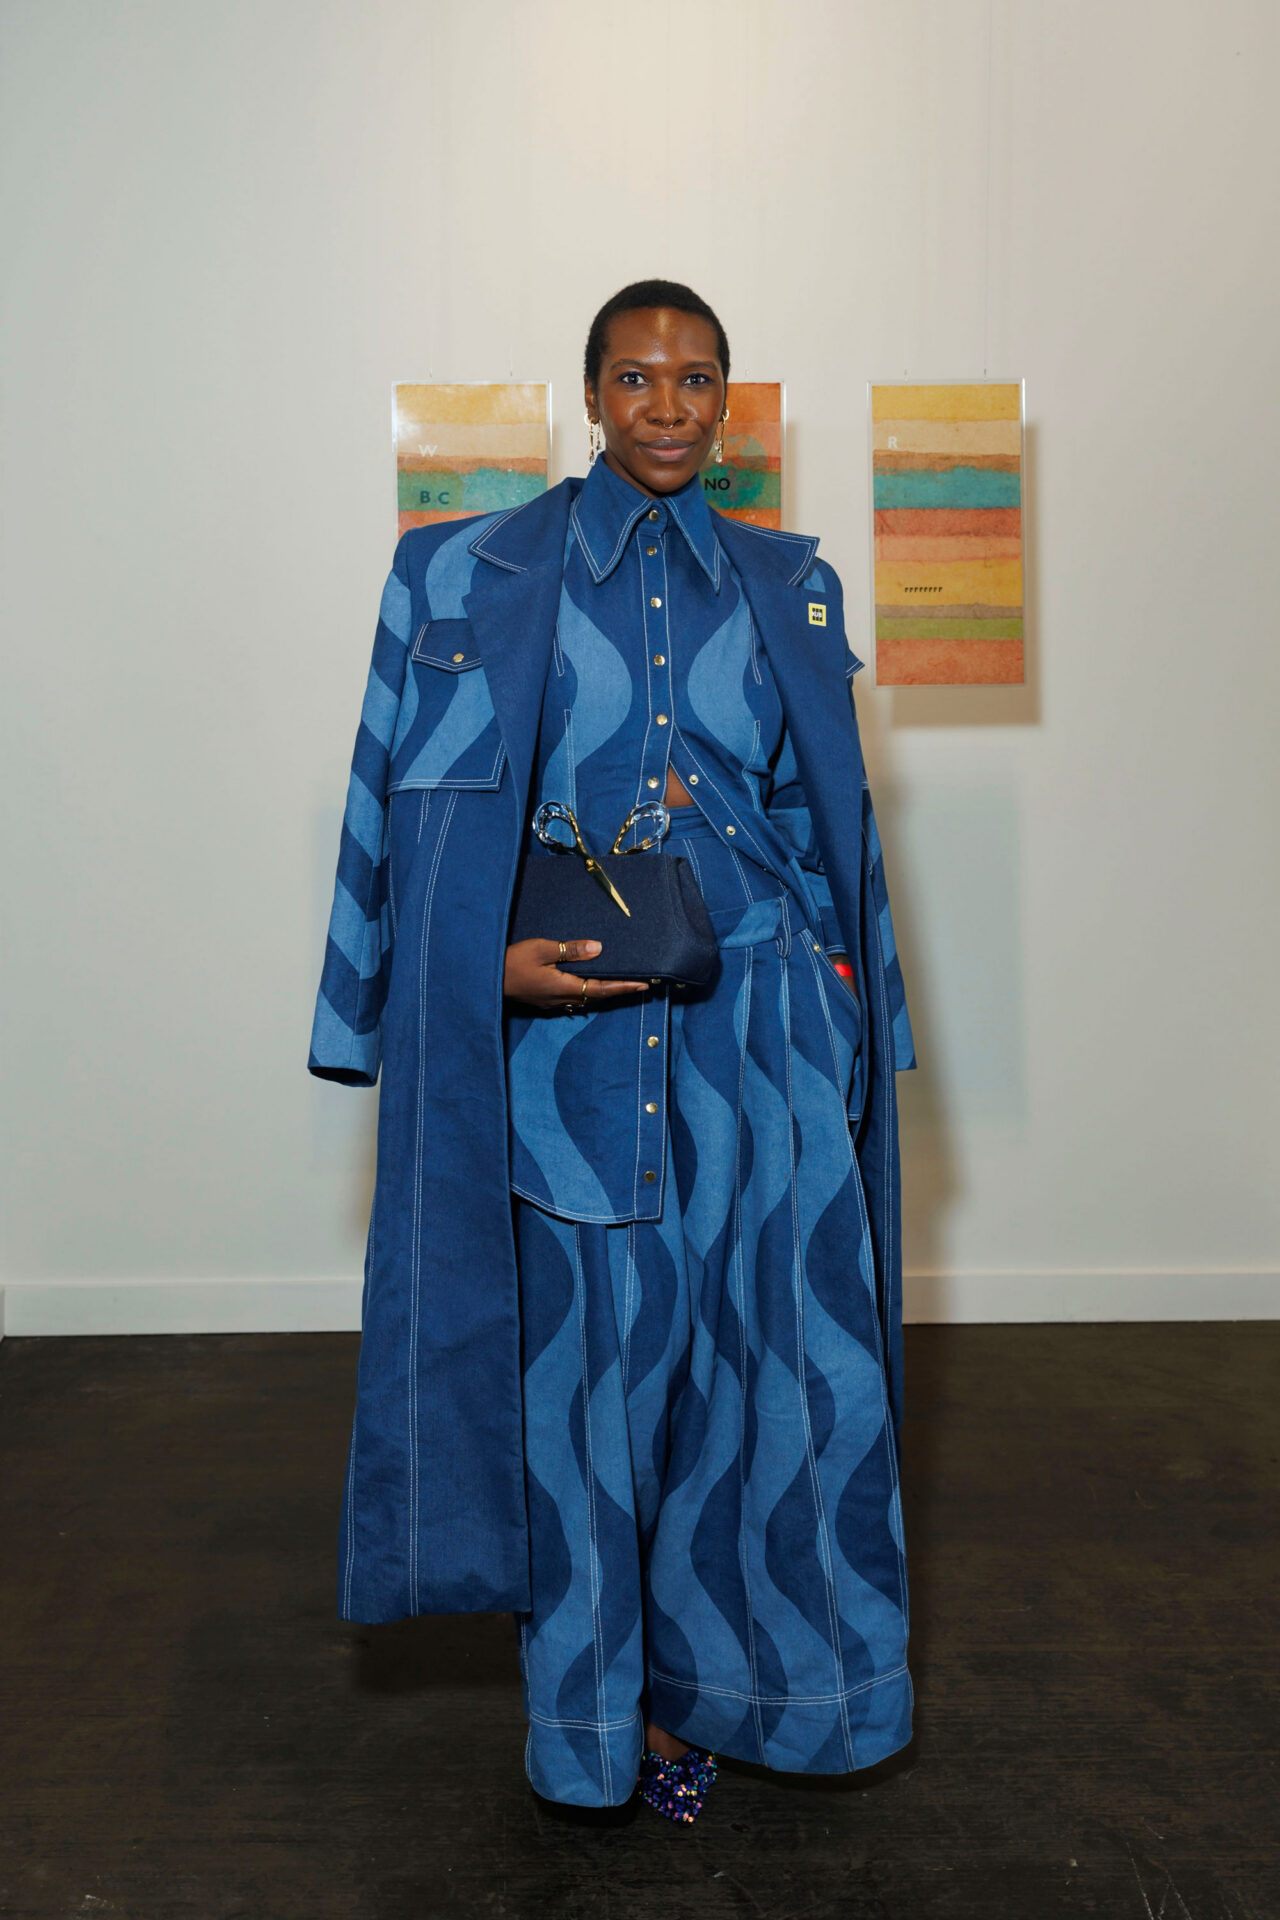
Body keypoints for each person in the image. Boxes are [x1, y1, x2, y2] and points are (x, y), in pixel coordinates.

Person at [309, 280, 918, 1823]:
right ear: (590, 396)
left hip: (765, 1053)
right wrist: (457, 979)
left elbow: (833, 830)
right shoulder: (463, 574)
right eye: (636, 377)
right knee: (585, 1403)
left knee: (780, 1392)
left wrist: (857, 1022)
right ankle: (601, 1724)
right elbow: (388, 799)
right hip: (571, 1057)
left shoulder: (791, 582)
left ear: (727, 402)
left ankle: (777, 1698)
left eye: (695, 379)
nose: (666, 405)